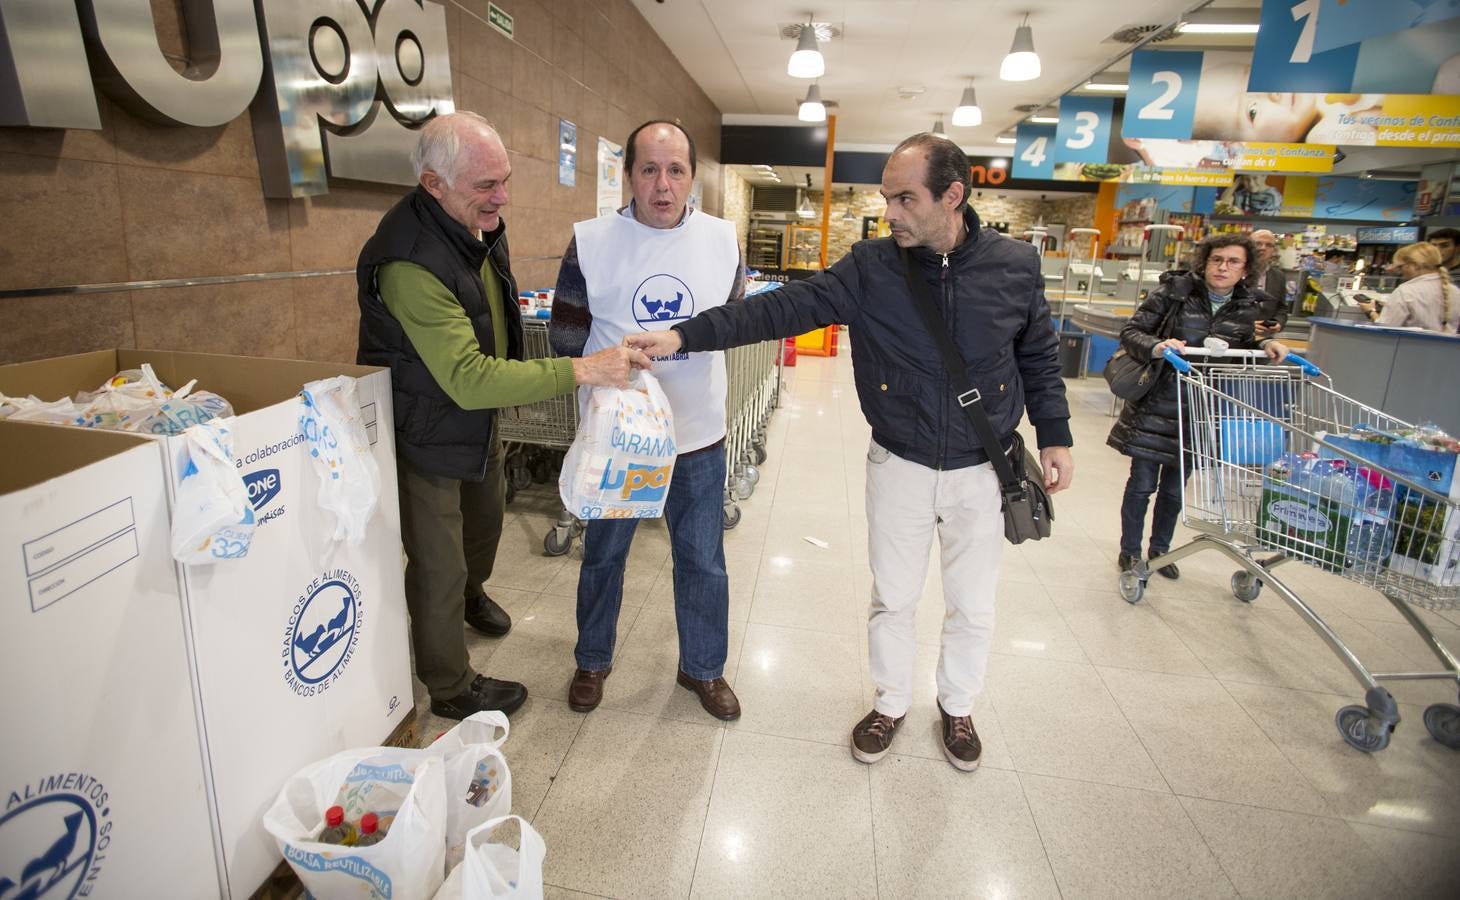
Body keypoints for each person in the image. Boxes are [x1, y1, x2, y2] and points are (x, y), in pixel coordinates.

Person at [625, 134, 1075, 772]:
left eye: (904, 198)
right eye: (887, 196)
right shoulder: (872, 267)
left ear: (953, 196)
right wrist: (684, 334)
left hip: (983, 467)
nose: (889, 212)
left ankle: (958, 706)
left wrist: (1054, 432)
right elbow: (780, 310)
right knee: (893, 596)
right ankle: (891, 702)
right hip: (900, 463)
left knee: (972, 603)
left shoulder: (1015, 267)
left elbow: (1037, 354)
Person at [356, 112, 651, 720]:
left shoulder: (476, 224)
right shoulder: (409, 261)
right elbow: (465, 376)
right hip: (428, 427)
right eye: (484, 186)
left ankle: (471, 596)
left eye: (505, 180)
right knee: (438, 559)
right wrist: (582, 370)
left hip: (478, 418)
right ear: (434, 184)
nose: (501, 197)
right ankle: (448, 681)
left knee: (483, 526)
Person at [549, 120, 745, 721]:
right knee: (605, 554)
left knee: (703, 558)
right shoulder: (591, 241)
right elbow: (563, 334)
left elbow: (734, 322)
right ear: (629, 174)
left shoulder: (721, 241)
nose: (663, 184)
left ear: (691, 176)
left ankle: (704, 669)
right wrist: (609, 363)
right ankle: (592, 659)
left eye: (676, 170)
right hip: (620, 442)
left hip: (697, 435)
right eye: (650, 170)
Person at [1108, 234, 1291, 581]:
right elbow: (1132, 332)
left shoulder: (1248, 305)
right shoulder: (1175, 292)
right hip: (1157, 404)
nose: (1223, 267)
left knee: (1176, 489)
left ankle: (1160, 551)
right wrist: (1159, 346)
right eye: (1217, 259)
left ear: (1245, 269)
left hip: (1200, 410)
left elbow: (1241, 342)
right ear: (1204, 262)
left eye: (1232, 262)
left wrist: (1265, 343)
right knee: (1141, 485)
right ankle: (1130, 552)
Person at [1356, 242, 1459, 333]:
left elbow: (1385, 327)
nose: (1400, 271)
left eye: (1401, 266)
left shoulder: (1405, 291)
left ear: (1415, 265)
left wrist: (1370, 311)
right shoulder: (1455, 291)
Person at [1248, 229, 1289, 338]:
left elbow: (1281, 308)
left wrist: (1278, 323)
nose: (1263, 248)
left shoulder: (1279, 276)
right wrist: (1246, 325)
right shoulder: (1234, 273)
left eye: (1268, 245)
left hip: (1265, 339)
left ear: (1273, 250)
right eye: (1258, 243)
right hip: (1235, 338)